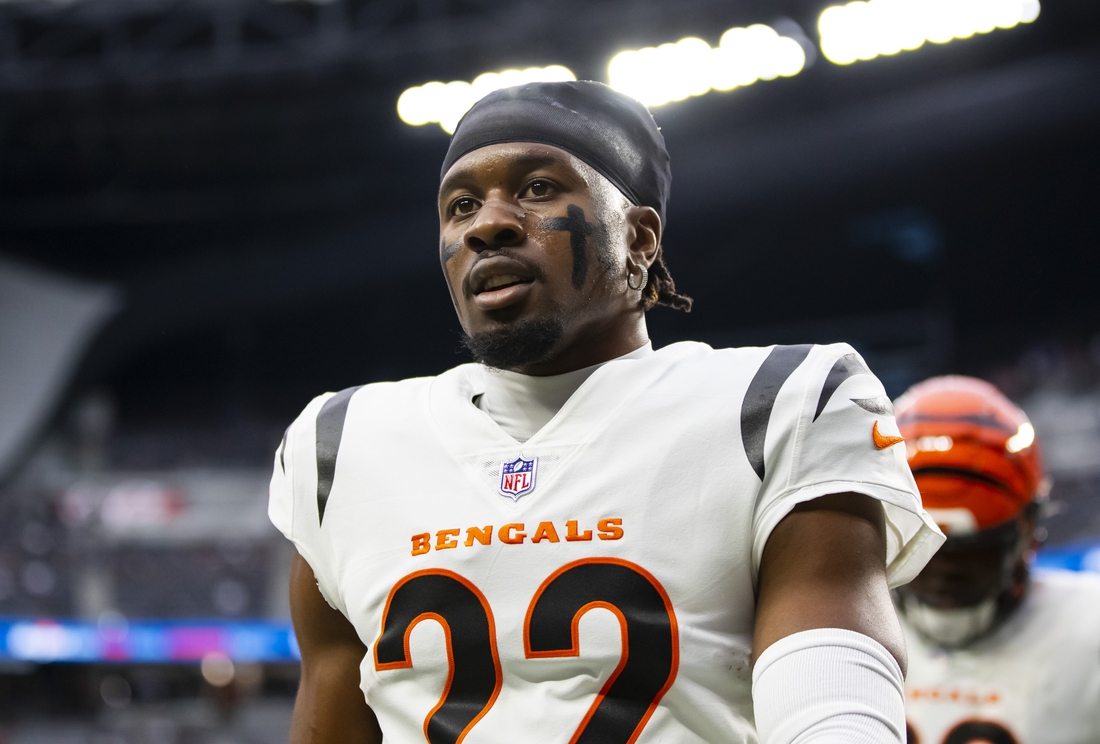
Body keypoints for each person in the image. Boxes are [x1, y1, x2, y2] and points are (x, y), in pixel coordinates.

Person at [268, 80, 942, 744]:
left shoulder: (779, 401)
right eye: (461, 205)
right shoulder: (342, 445)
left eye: (537, 188)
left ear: (641, 239)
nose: (488, 225)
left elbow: (830, 702)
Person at [894, 376, 1100, 744]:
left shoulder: (1089, 632)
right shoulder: (834, 628)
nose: (942, 571)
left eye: (971, 549)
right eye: (919, 547)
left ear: (1027, 531)